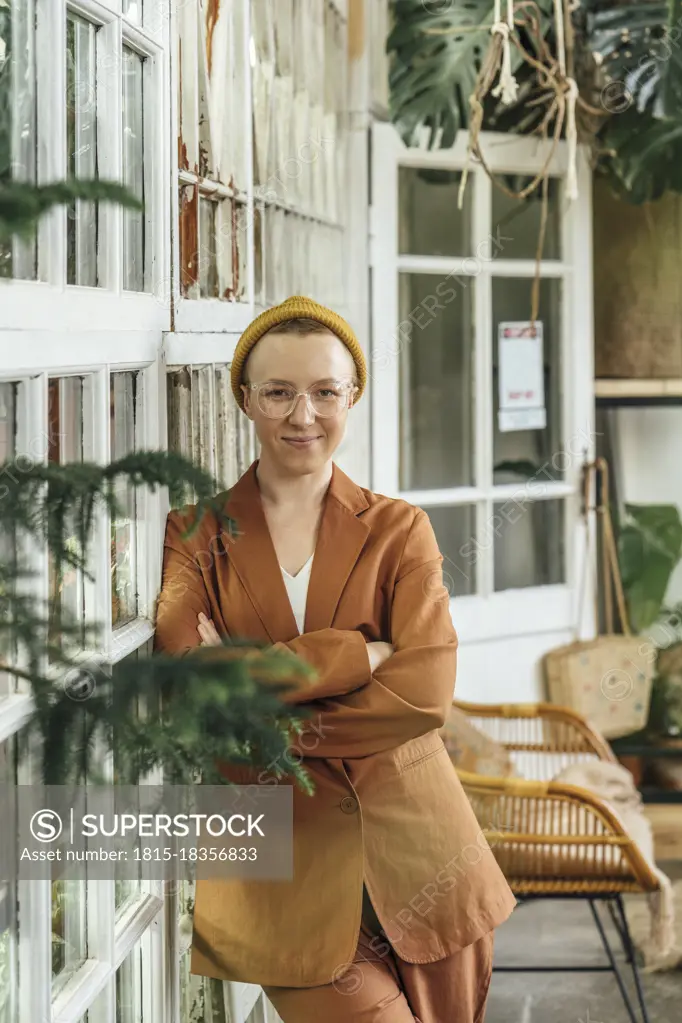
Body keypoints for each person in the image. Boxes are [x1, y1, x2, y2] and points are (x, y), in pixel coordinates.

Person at [154, 295, 516, 1023]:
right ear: (245, 399)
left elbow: (421, 695)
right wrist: (360, 652)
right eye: (279, 392)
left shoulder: (398, 530)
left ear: (352, 396)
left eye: (325, 391)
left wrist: (264, 713)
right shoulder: (192, 534)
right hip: (278, 870)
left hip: (425, 855)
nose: (303, 415)